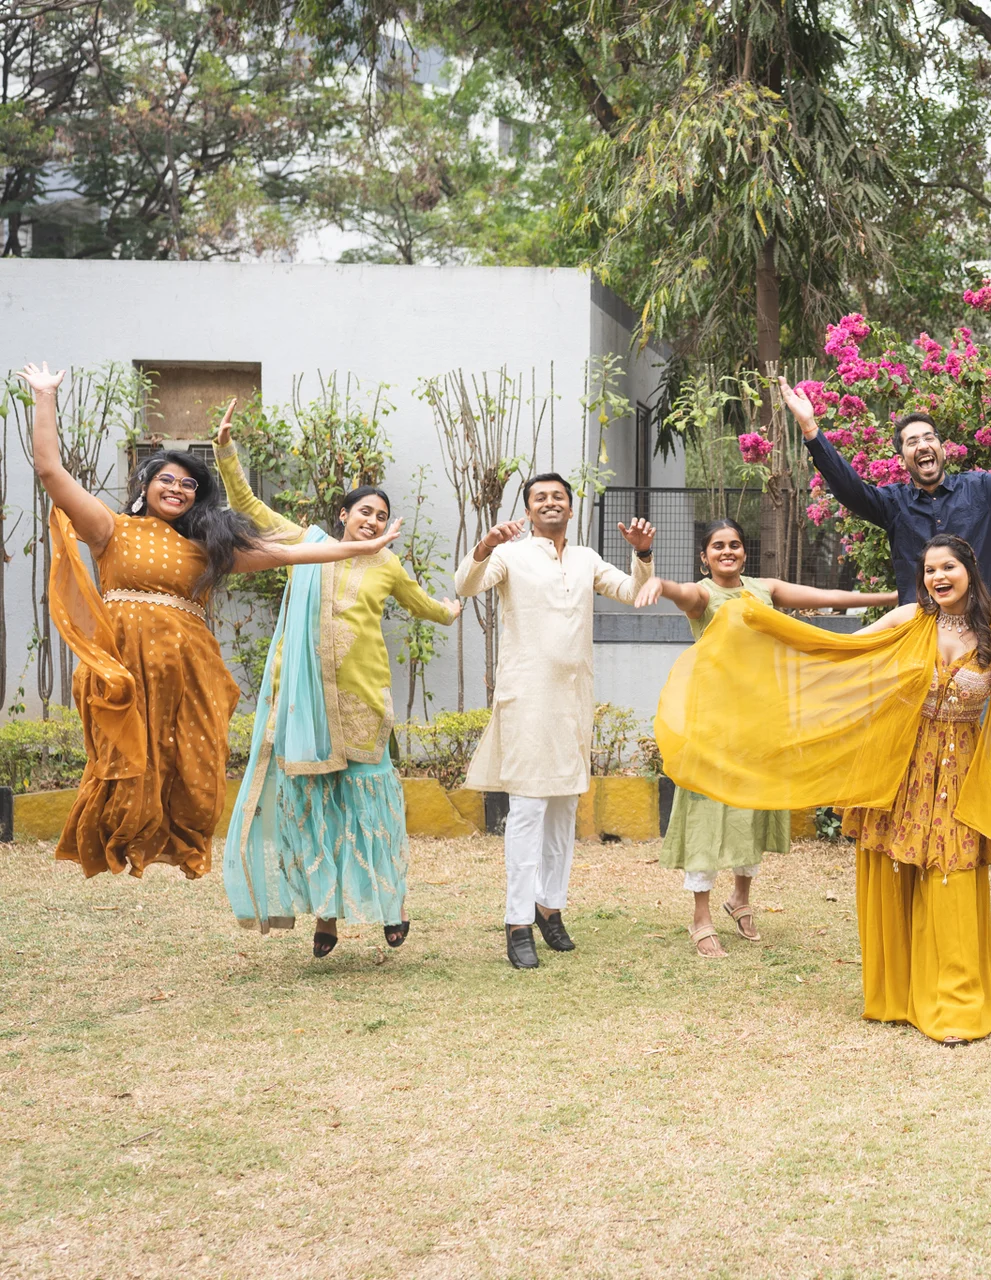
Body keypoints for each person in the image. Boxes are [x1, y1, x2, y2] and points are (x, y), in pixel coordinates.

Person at [653, 534, 991, 1044]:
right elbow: (832, 650)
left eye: (949, 567)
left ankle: (957, 1004)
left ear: (969, 572)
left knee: (951, 874)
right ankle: (897, 996)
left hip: (961, 770)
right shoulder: (907, 619)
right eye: (930, 569)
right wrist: (764, 627)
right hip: (902, 765)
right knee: (895, 871)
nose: (938, 576)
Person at [19, 363, 405, 880]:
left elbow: (288, 555)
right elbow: (50, 471)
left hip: (190, 672)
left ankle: (178, 842)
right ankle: (120, 842)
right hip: (126, 672)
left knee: (196, 775)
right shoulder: (109, 527)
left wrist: (364, 545)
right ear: (146, 485)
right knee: (124, 769)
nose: (177, 489)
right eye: (166, 480)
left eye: (188, 485)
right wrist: (45, 397)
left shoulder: (208, 548)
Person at [211, 402, 462, 957]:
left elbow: (425, 607)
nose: (371, 521)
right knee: (320, 807)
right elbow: (248, 507)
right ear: (343, 515)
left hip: (363, 702)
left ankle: (390, 906)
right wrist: (226, 452)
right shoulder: (310, 545)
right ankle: (326, 918)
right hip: (306, 707)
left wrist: (455, 604)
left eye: (380, 515)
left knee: (370, 806)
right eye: (363, 511)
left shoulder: (387, 567)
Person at [634, 517, 896, 958]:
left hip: (758, 723)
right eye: (718, 546)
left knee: (750, 810)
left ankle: (740, 898)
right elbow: (681, 593)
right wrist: (658, 581)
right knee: (707, 815)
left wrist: (895, 595)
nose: (728, 551)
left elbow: (830, 597)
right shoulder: (705, 595)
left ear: (744, 551)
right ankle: (701, 916)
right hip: (712, 725)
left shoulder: (764, 588)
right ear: (704, 556)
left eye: (735, 544)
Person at [455, 472, 658, 969]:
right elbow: (466, 584)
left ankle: (550, 907)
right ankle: (517, 921)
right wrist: (484, 545)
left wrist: (644, 554)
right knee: (527, 811)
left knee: (565, 810)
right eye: (540, 497)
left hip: (572, 700)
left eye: (558, 497)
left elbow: (636, 592)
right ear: (527, 510)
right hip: (526, 699)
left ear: (570, 508)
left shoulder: (587, 558)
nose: (550, 502)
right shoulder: (511, 554)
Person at [778, 372, 991, 599]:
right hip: (917, 634)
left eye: (930, 438)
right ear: (902, 460)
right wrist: (811, 429)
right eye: (912, 442)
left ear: (942, 449)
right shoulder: (892, 504)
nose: (923, 445)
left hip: (975, 633)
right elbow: (849, 489)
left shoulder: (983, 490)